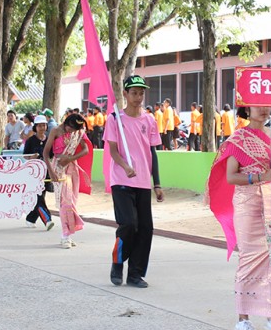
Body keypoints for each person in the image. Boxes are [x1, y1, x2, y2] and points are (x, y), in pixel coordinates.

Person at [207, 106, 271, 330]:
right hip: (247, 203)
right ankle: (243, 319)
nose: (264, 110)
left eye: (267, 106)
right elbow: (231, 176)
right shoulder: (238, 138)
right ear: (247, 109)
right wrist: (259, 177)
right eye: (258, 106)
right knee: (250, 258)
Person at [104, 75, 164, 288]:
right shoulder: (114, 119)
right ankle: (117, 262)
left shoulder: (149, 120)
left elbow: (152, 153)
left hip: (143, 182)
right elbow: (112, 150)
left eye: (141, 93)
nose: (138, 97)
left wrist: (157, 184)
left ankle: (135, 274)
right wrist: (125, 166)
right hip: (121, 180)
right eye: (134, 93)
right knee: (129, 224)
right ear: (125, 94)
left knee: (145, 228)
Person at [44, 113, 93, 248]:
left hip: (72, 168)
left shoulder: (78, 132)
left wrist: (70, 159)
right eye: (71, 127)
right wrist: (51, 171)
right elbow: (46, 153)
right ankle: (65, 235)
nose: (72, 131)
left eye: (75, 129)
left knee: (72, 201)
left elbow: (86, 150)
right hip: (58, 168)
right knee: (65, 202)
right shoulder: (55, 131)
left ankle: (68, 234)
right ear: (66, 123)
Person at [22, 115, 56, 231]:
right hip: (33, 174)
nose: (42, 128)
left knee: (41, 196)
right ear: (35, 127)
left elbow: (52, 155)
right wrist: (31, 157)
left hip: (46, 172)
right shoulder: (30, 141)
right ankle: (47, 220)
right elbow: (25, 155)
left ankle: (30, 219)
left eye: (44, 125)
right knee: (38, 197)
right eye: (40, 126)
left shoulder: (49, 140)